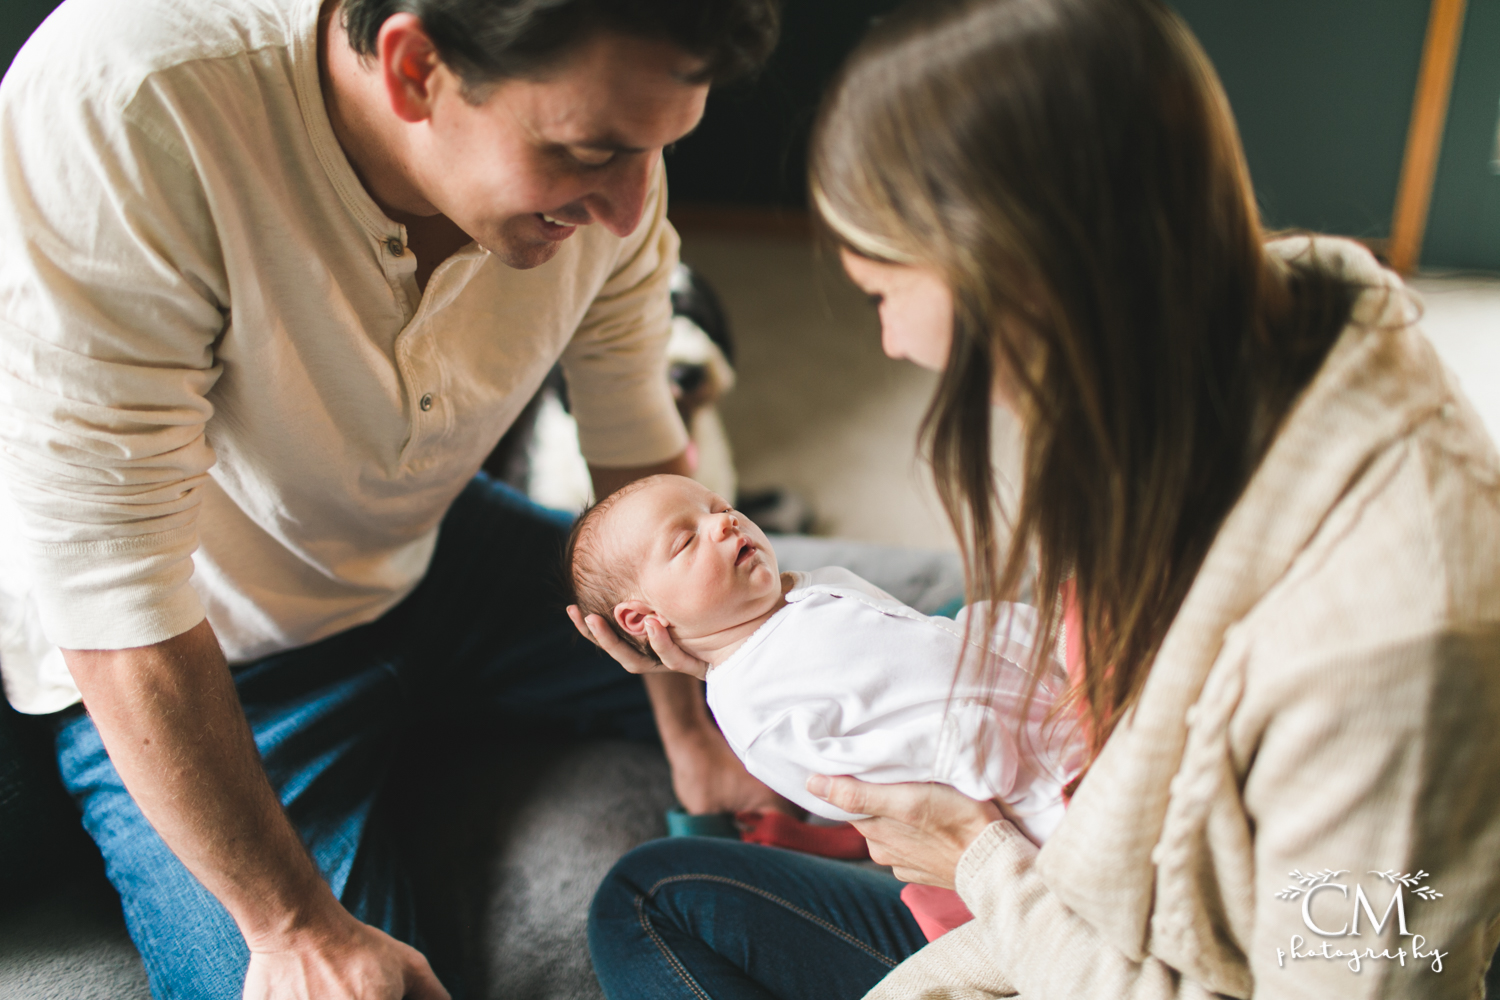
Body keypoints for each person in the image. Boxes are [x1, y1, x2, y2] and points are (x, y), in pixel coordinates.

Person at [578, 0, 1500, 997]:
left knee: (647, 909)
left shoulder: (1396, 647)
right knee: (657, 888)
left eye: (885, 291)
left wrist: (974, 857)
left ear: (1019, 274)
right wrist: (751, 633)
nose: (891, 344)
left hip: (1083, 931)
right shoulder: (1191, 363)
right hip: (1073, 875)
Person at [0, 0, 781, 997]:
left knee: (847, 652)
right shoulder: (126, 105)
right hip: (206, 646)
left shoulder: (613, 142)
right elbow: (115, 593)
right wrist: (294, 928)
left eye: (657, 150)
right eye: (591, 153)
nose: (632, 209)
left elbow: (635, 449)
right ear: (415, 69)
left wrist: (694, 735)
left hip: (434, 547)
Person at [565, 473, 1082, 840]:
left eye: (720, 507)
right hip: (1014, 773)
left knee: (987, 612)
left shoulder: (797, 596)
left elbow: (904, 630)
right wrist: (950, 750)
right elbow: (845, 777)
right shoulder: (754, 707)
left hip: (1020, 679)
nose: (725, 524)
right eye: (685, 540)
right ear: (642, 619)